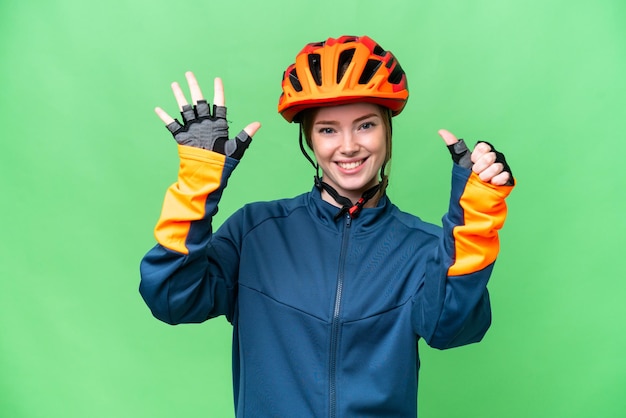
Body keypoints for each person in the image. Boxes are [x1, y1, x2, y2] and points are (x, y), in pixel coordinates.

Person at [139, 35, 515, 417]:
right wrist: (198, 185)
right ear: (310, 139)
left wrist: (475, 216)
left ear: (386, 130)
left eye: (365, 125)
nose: (348, 146)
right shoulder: (255, 231)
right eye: (328, 129)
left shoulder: (423, 247)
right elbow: (172, 298)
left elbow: (451, 329)